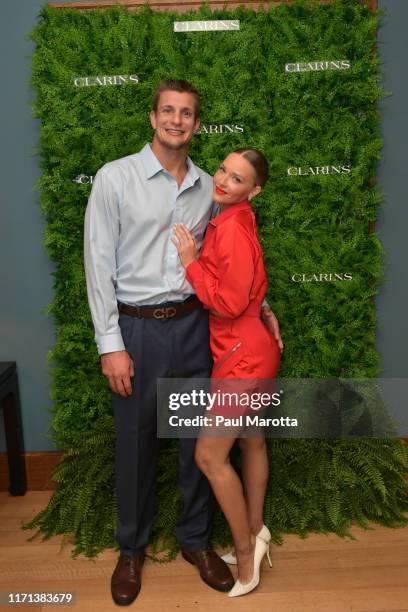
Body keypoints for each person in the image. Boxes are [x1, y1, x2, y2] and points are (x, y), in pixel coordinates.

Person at [84, 79, 283, 606]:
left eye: (187, 113)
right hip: (137, 330)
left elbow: (226, 265)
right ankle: (132, 550)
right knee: (136, 443)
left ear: (197, 124)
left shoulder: (207, 186)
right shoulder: (115, 179)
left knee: (199, 442)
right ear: (153, 118)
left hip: (197, 330)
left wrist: (260, 304)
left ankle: (196, 541)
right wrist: (111, 344)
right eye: (167, 111)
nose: (176, 120)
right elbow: (97, 264)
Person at [172, 148, 280, 597]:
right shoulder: (239, 218)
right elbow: (252, 282)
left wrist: (191, 263)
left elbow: (230, 302)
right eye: (222, 170)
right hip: (249, 347)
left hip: (243, 357)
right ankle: (256, 531)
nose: (222, 180)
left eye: (236, 179)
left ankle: (246, 556)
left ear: (253, 190)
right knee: (252, 441)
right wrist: (266, 309)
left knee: (209, 457)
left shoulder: (230, 228)